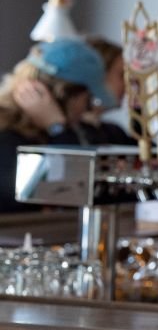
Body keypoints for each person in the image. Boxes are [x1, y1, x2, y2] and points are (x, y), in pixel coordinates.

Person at [0, 39, 118, 212]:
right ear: (65, 94)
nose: (86, 110)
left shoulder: (46, 133)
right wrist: (58, 128)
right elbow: (71, 194)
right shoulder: (6, 138)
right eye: (87, 101)